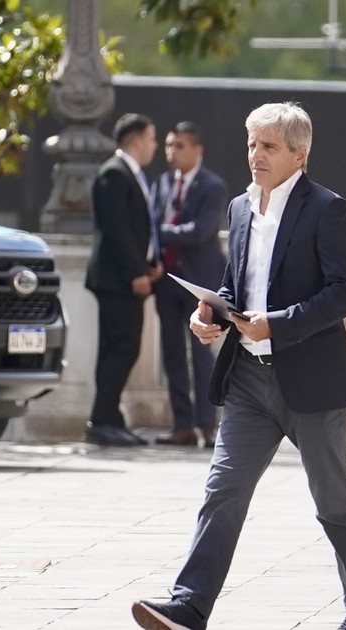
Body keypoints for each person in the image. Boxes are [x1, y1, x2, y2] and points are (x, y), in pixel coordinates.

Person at [132, 102, 346, 630]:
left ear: (299, 154)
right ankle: (189, 606)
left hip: (312, 381)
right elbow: (236, 287)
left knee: (334, 501)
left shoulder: (327, 209)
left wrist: (279, 324)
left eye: (268, 146)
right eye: (251, 144)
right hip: (248, 380)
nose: (256, 155)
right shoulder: (240, 207)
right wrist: (210, 314)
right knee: (222, 490)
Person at [84, 113, 162, 447]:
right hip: (117, 281)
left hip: (127, 277)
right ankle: (101, 420)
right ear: (136, 140)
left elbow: (137, 228)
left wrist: (149, 264)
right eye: (152, 139)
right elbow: (115, 230)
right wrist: (135, 272)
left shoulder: (130, 174)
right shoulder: (114, 174)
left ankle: (109, 418)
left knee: (121, 348)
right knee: (121, 348)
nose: (154, 146)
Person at [150, 122, 229, 448]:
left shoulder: (213, 186)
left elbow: (200, 230)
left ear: (198, 150)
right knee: (172, 353)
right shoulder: (162, 183)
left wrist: (158, 232)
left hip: (200, 282)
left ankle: (207, 425)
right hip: (167, 281)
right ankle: (182, 426)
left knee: (201, 352)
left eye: (179, 145)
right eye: (169, 145)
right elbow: (153, 219)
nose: (172, 152)